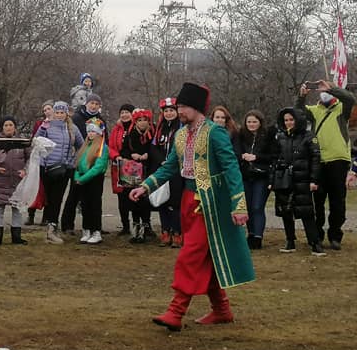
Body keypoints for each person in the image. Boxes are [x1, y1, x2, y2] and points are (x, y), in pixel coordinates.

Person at [130, 82, 254, 331]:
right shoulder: (179, 135)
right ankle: (222, 310)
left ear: (196, 107)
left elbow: (231, 168)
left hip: (210, 205)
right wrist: (146, 186)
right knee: (205, 256)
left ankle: (175, 312)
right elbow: (169, 167)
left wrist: (239, 205)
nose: (179, 111)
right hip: (188, 200)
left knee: (190, 255)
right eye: (178, 106)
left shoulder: (215, 133)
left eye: (183, 106)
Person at [296, 80, 355, 250]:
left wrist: (333, 89)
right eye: (322, 91)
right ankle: (318, 235)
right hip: (318, 160)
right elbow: (298, 113)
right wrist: (302, 96)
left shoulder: (342, 109)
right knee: (318, 201)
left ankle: (335, 235)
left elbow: (350, 99)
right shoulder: (314, 111)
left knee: (337, 201)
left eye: (326, 91)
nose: (324, 93)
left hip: (339, 160)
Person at [271, 108, 323, 255]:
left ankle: (314, 243)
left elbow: (315, 158)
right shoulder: (280, 136)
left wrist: (314, 179)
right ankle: (290, 241)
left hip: (303, 179)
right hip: (284, 179)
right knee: (286, 211)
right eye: (286, 120)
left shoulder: (308, 136)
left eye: (291, 120)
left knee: (307, 212)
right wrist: (273, 179)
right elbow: (275, 159)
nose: (288, 123)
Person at [33, 100, 83, 243]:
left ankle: (52, 230)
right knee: (46, 199)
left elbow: (81, 145)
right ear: (53, 113)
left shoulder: (72, 128)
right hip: (46, 168)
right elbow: (36, 142)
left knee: (57, 200)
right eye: (57, 112)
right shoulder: (46, 126)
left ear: (66, 113)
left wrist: (73, 161)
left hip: (64, 170)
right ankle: (46, 225)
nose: (59, 115)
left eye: (62, 112)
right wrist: (43, 160)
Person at [0, 116, 29, 245]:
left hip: (18, 182)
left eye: (11, 125)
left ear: (15, 127)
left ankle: (16, 237)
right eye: (6, 125)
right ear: (2, 127)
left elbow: (31, 158)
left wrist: (25, 170)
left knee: (17, 209)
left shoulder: (22, 141)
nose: (8, 127)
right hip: (0, 181)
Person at [60, 94, 104, 234]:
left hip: (96, 160)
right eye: (92, 103)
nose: (94, 106)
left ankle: (94, 226)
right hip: (79, 160)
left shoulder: (101, 120)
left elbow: (104, 139)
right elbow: (74, 139)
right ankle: (67, 224)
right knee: (74, 195)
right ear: (86, 103)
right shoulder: (77, 118)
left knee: (94, 198)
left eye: (97, 104)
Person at [233, 110, 274, 251]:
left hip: (261, 176)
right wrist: (242, 156)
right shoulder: (241, 135)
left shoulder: (267, 136)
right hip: (245, 175)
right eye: (249, 122)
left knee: (257, 206)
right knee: (248, 207)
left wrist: (256, 157)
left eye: (254, 122)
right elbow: (236, 152)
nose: (251, 124)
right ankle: (250, 234)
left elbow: (272, 156)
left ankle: (258, 236)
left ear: (260, 122)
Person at [150, 97, 183, 248]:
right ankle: (165, 231)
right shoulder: (159, 128)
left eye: (171, 110)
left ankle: (177, 232)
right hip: (163, 168)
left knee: (175, 202)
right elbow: (154, 147)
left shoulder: (182, 127)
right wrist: (162, 161)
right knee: (163, 200)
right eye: (166, 111)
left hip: (177, 170)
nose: (169, 113)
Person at [120, 108, 155, 243]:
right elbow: (123, 150)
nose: (142, 123)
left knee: (145, 199)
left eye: (144, 120)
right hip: (133, 171)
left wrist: (148, 155)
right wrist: (131, 155)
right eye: (139, 121)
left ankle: (146, 225)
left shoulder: (152, 134)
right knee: (134, 198)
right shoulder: (130, 135)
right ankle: (136, 226)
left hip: (147, 170)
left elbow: (155, 149)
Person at [73, 117, 109, 244]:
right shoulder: (85, 146)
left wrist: (83, 178)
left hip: (94, 180)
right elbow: (78, 164)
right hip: (83, 180)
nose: (91, 134)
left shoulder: (102, 148)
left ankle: (96, 231)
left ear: (99, 132)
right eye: (89, 131)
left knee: (94, 205)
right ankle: (86, 229)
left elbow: (98, 167)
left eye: (93, 131)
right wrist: (77, 177)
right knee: (85, 206)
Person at [108, 103, 136, 235]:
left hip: (134, 165)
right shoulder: (116, 129)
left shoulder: (137, 126)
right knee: (122, 197)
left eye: (127, 112)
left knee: (135, 196)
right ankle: (125, 226)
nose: (124, 115)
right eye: (122, 112)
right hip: (119, 165)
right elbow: (111, 146)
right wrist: (116, 156)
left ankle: (138, 225)